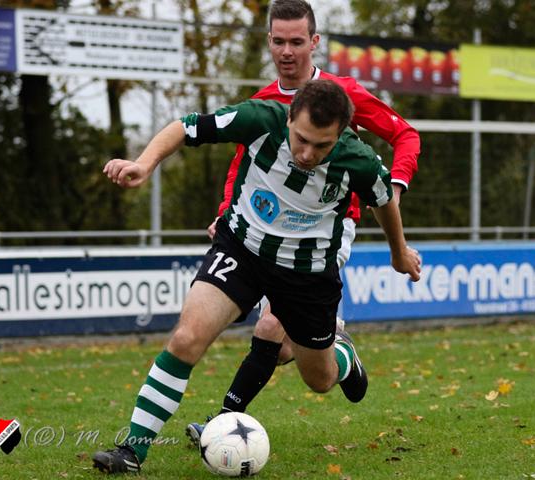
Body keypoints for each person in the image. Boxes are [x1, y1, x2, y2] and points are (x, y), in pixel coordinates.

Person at [91, 79, 422, 474]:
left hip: (307, 274)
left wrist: (399, 253)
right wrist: (144, 163)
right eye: (301, 139)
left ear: (340, 135)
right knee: (186, 338)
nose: (307, 153)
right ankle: (132, 450)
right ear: (290, 117)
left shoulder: (359, 161)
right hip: (242, 249)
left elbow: (384, 202)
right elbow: (186, 127)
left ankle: (344, 356)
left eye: (322, 146)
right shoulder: (259, 118)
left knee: (319, 379)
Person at [186, 0, 421, 439]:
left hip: (327, 230)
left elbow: (405, 134)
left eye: (297, 42)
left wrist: (396, 187)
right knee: (278, 347)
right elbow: (242, 166)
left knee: (271, 326)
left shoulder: (341, 95)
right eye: (279, 42)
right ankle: (336, 349)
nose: (287, 51)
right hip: (267, 231)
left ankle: (221, 424)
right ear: (269, 42)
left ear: (314, 42)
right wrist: (226, 212)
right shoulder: (262, 104)